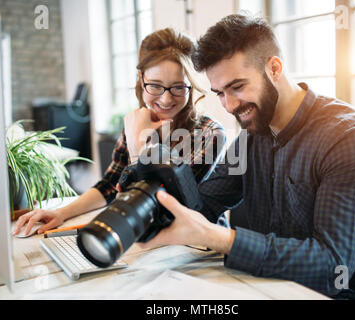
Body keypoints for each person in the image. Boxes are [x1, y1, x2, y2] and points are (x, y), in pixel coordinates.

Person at [139, 14, 355, 299]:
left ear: (274, 68)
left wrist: (217, 237)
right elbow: (201, 206)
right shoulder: (250, 138)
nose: (230, 105)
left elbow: (332, 265)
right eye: (220, 93)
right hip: (269, 287)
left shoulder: (351, 137)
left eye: (237, 87)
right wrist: (148, 160)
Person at [13, 28, 226, 237]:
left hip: (198, 246)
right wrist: (61, 213)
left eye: (179, 87)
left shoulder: (209, 134)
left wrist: (137, 148)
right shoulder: (138, 121)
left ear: (192, 85)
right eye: (156, 86)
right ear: (141, 79)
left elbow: (164, 208)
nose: (166, 99)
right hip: (151, 242)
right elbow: (109, 185)